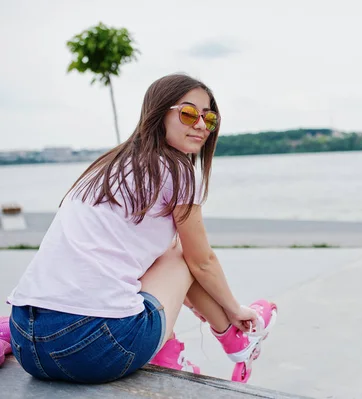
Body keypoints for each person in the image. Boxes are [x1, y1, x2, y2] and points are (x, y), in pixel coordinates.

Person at [5, 73, 277, 384]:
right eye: (189, 114)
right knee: (180, 253)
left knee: (165, 254)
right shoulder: (177, 170)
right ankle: (233, 337)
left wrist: (189, 300)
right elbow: (202, 262)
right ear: (159, 113)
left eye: (209, 117)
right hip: (92, 348)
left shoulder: (108, 166)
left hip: (27, 341)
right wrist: (234, 309)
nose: (201, 125)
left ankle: (180, 348)